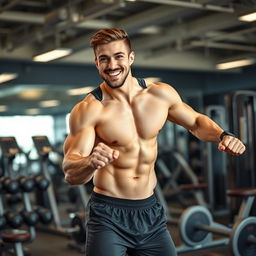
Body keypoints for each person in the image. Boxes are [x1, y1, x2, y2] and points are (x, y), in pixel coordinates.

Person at [62, 28, 246, 256]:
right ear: (96, 63)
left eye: (118, 56)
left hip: (150, 209)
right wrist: (90, 162)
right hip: (108, 213)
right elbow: (71, 171)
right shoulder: (89, 110)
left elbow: (196, 122)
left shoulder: (160, 95)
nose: (112, 65)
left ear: (131, 57)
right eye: (104, 59)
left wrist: (224, 135)